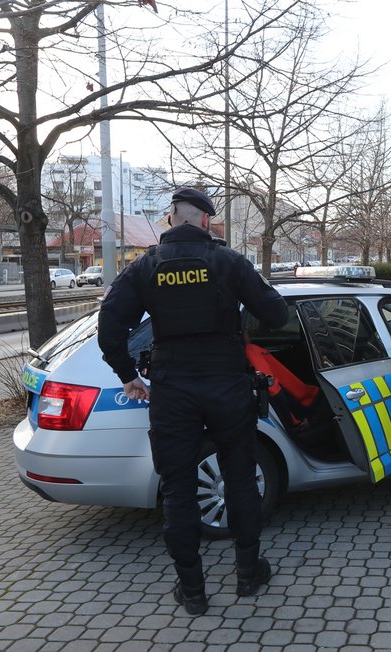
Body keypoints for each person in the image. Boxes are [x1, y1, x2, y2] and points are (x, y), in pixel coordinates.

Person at [97, 187, 288, 615]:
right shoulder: (228, 262)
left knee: (179, 492)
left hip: (173, 390)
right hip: (226, 385)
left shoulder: (145, 267)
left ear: (171, 219)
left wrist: (129, 376)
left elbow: (109, 327)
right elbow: (278, 315)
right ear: (204, 220)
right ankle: (247, 574)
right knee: (239, 480)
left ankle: (193, 591)